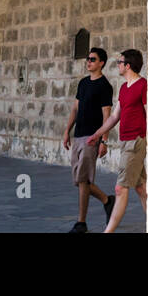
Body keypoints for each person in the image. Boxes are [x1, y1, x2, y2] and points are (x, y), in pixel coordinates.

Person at [88, 48, 146, 233]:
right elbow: (114, 117)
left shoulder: (142, 85)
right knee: (141, 188)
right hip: (125, 141)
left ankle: (108, 231)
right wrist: (97, 134)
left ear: (128, 65)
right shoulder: (123, 88)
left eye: (120, 63)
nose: (118, 66)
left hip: (136, 141)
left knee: (120, 188)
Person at [63, 46, 114, 232]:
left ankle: (81, 223)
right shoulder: (83, 83)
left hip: (92, 138)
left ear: (101, 63)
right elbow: (75, 109)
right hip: (78, 136)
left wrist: (103, 141)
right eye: (88, 59)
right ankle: (107, 201)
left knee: (83, 180)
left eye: (92, 59)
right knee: (79, 180)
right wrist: (67, 130)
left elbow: (106, 115)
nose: (88, 62)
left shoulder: (105, 86)